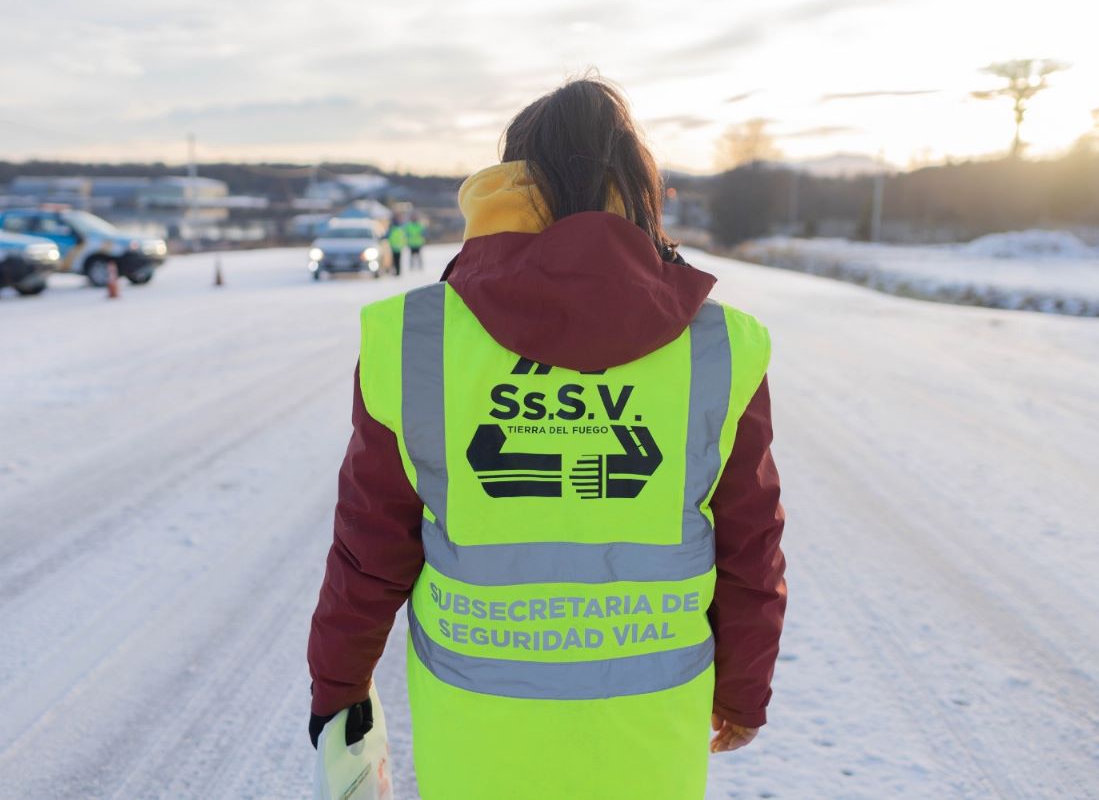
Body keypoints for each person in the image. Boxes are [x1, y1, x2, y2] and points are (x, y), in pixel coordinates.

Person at [307, 77, 786, 800]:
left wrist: (338, 688)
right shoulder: (717, 346)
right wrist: (744, 691)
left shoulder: (416, 339)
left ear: (508, 185)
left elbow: (369, 547)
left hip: (475, 733)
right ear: (636, 189)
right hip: (649, 734)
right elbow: (751, 547)